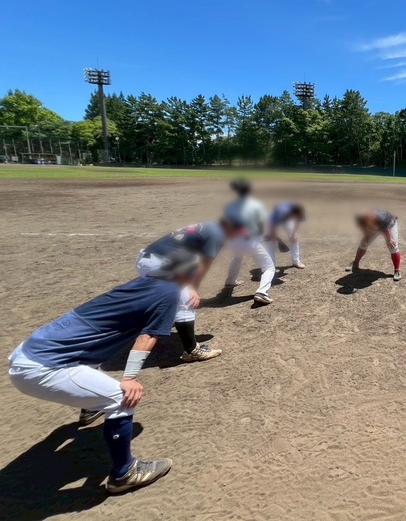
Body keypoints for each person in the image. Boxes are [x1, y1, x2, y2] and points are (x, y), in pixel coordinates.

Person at [7, 249, 200, 494]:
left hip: (29, 351)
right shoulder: (169, 293)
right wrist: (129, 378)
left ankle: (91, 406)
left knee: (95, 362)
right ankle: (125, 474)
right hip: (43, 367)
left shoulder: (142, 283)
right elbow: (148, 335)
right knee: (122, 398)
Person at [138, 218, 240, 362]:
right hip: (158, 262)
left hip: (151, 260)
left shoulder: (212, 226)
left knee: (174, 297)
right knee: (188, 300)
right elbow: (205, 263)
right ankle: (192, 351)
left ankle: (159, 324)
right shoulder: (218, 235)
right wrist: (192, 287)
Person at [223, 179, 276, 305]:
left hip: (232, 240)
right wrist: (265, 236)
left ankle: (230, 281)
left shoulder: (230, 205)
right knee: (269, 267)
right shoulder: (255, 204)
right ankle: (262, 292)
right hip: (249, 240)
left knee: (237, 257)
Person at [345, 208, 402, 281]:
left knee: (393, 247)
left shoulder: (380, 218)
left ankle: (397, 271)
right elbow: (363, 227)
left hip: (389, 226)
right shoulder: (360, 218)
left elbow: (385, 229)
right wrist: (366, 236)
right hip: (376, 226)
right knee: (364, 243)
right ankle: (355, 263)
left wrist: (389, 240)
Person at [266, 202, 306, 269]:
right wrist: (272, 233)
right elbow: (273, 223)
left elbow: (297, 221)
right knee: (271, 240)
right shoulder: (280, 212)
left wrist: (294, 233)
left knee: (295, 238)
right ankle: (271, 264)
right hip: (275, 219)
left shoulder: (298, 211)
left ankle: (296, 261)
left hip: (287, 218)